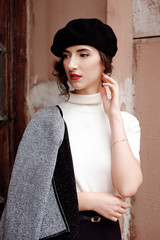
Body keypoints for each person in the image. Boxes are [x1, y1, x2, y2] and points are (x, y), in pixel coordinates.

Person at [0, 18, 143, 240]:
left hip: (105, 232)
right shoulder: (47, 121)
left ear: (104, 62)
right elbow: (25, 199)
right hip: (58, 233)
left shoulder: (126, 122)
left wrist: (114, 117)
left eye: (83, 54)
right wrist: (89, 200)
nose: (71, 64)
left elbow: (127, 187)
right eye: (66, 55)